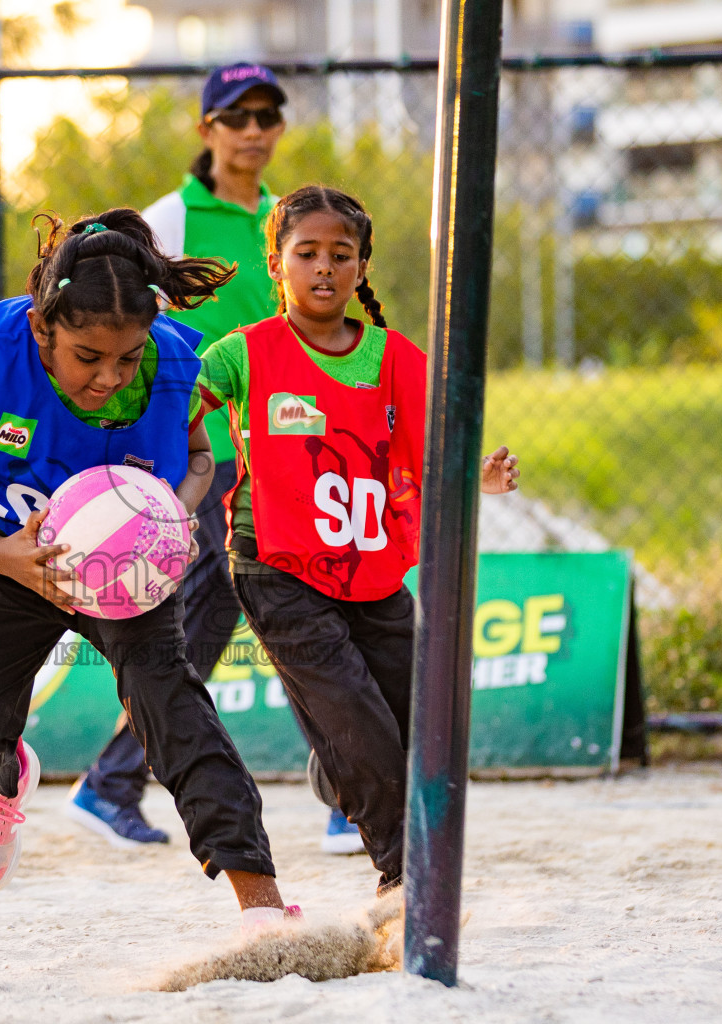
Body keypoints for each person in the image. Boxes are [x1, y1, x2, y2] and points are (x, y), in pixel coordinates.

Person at [0, 208, 292, 932]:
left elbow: (200, 458)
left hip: (127, 570)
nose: (110, 376)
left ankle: (262, 902)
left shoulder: (173, 361)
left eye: (127, 356)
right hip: (7, 556)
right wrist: (5, 556)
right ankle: (0, 774)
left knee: (175, 711)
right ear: (44, 327)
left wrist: (174, 511)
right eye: (87, 356)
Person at [69, 63, 362, 856]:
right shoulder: (170, 218)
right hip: (207, 450)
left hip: (281, 446)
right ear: (208, 130)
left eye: (268, 114)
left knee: (231, 615)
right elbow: (137, 335)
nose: (255, 129)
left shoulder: (285, 219)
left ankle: (113, 783)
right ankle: (346, 795)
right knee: (278, 607)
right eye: (237, 115)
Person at [195, 185, 521, 896]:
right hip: (275, 565)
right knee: (361, 726)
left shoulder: (397, 358)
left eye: (340, 255)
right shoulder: (244, 353)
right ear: (276, 265)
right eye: (305, 253)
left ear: (362, 268)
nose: (323, 268)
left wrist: (480, 476)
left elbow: (435, 452)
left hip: (371, 573)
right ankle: (406, 880)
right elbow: (179, 402)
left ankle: (332, 766)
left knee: (422, 719)